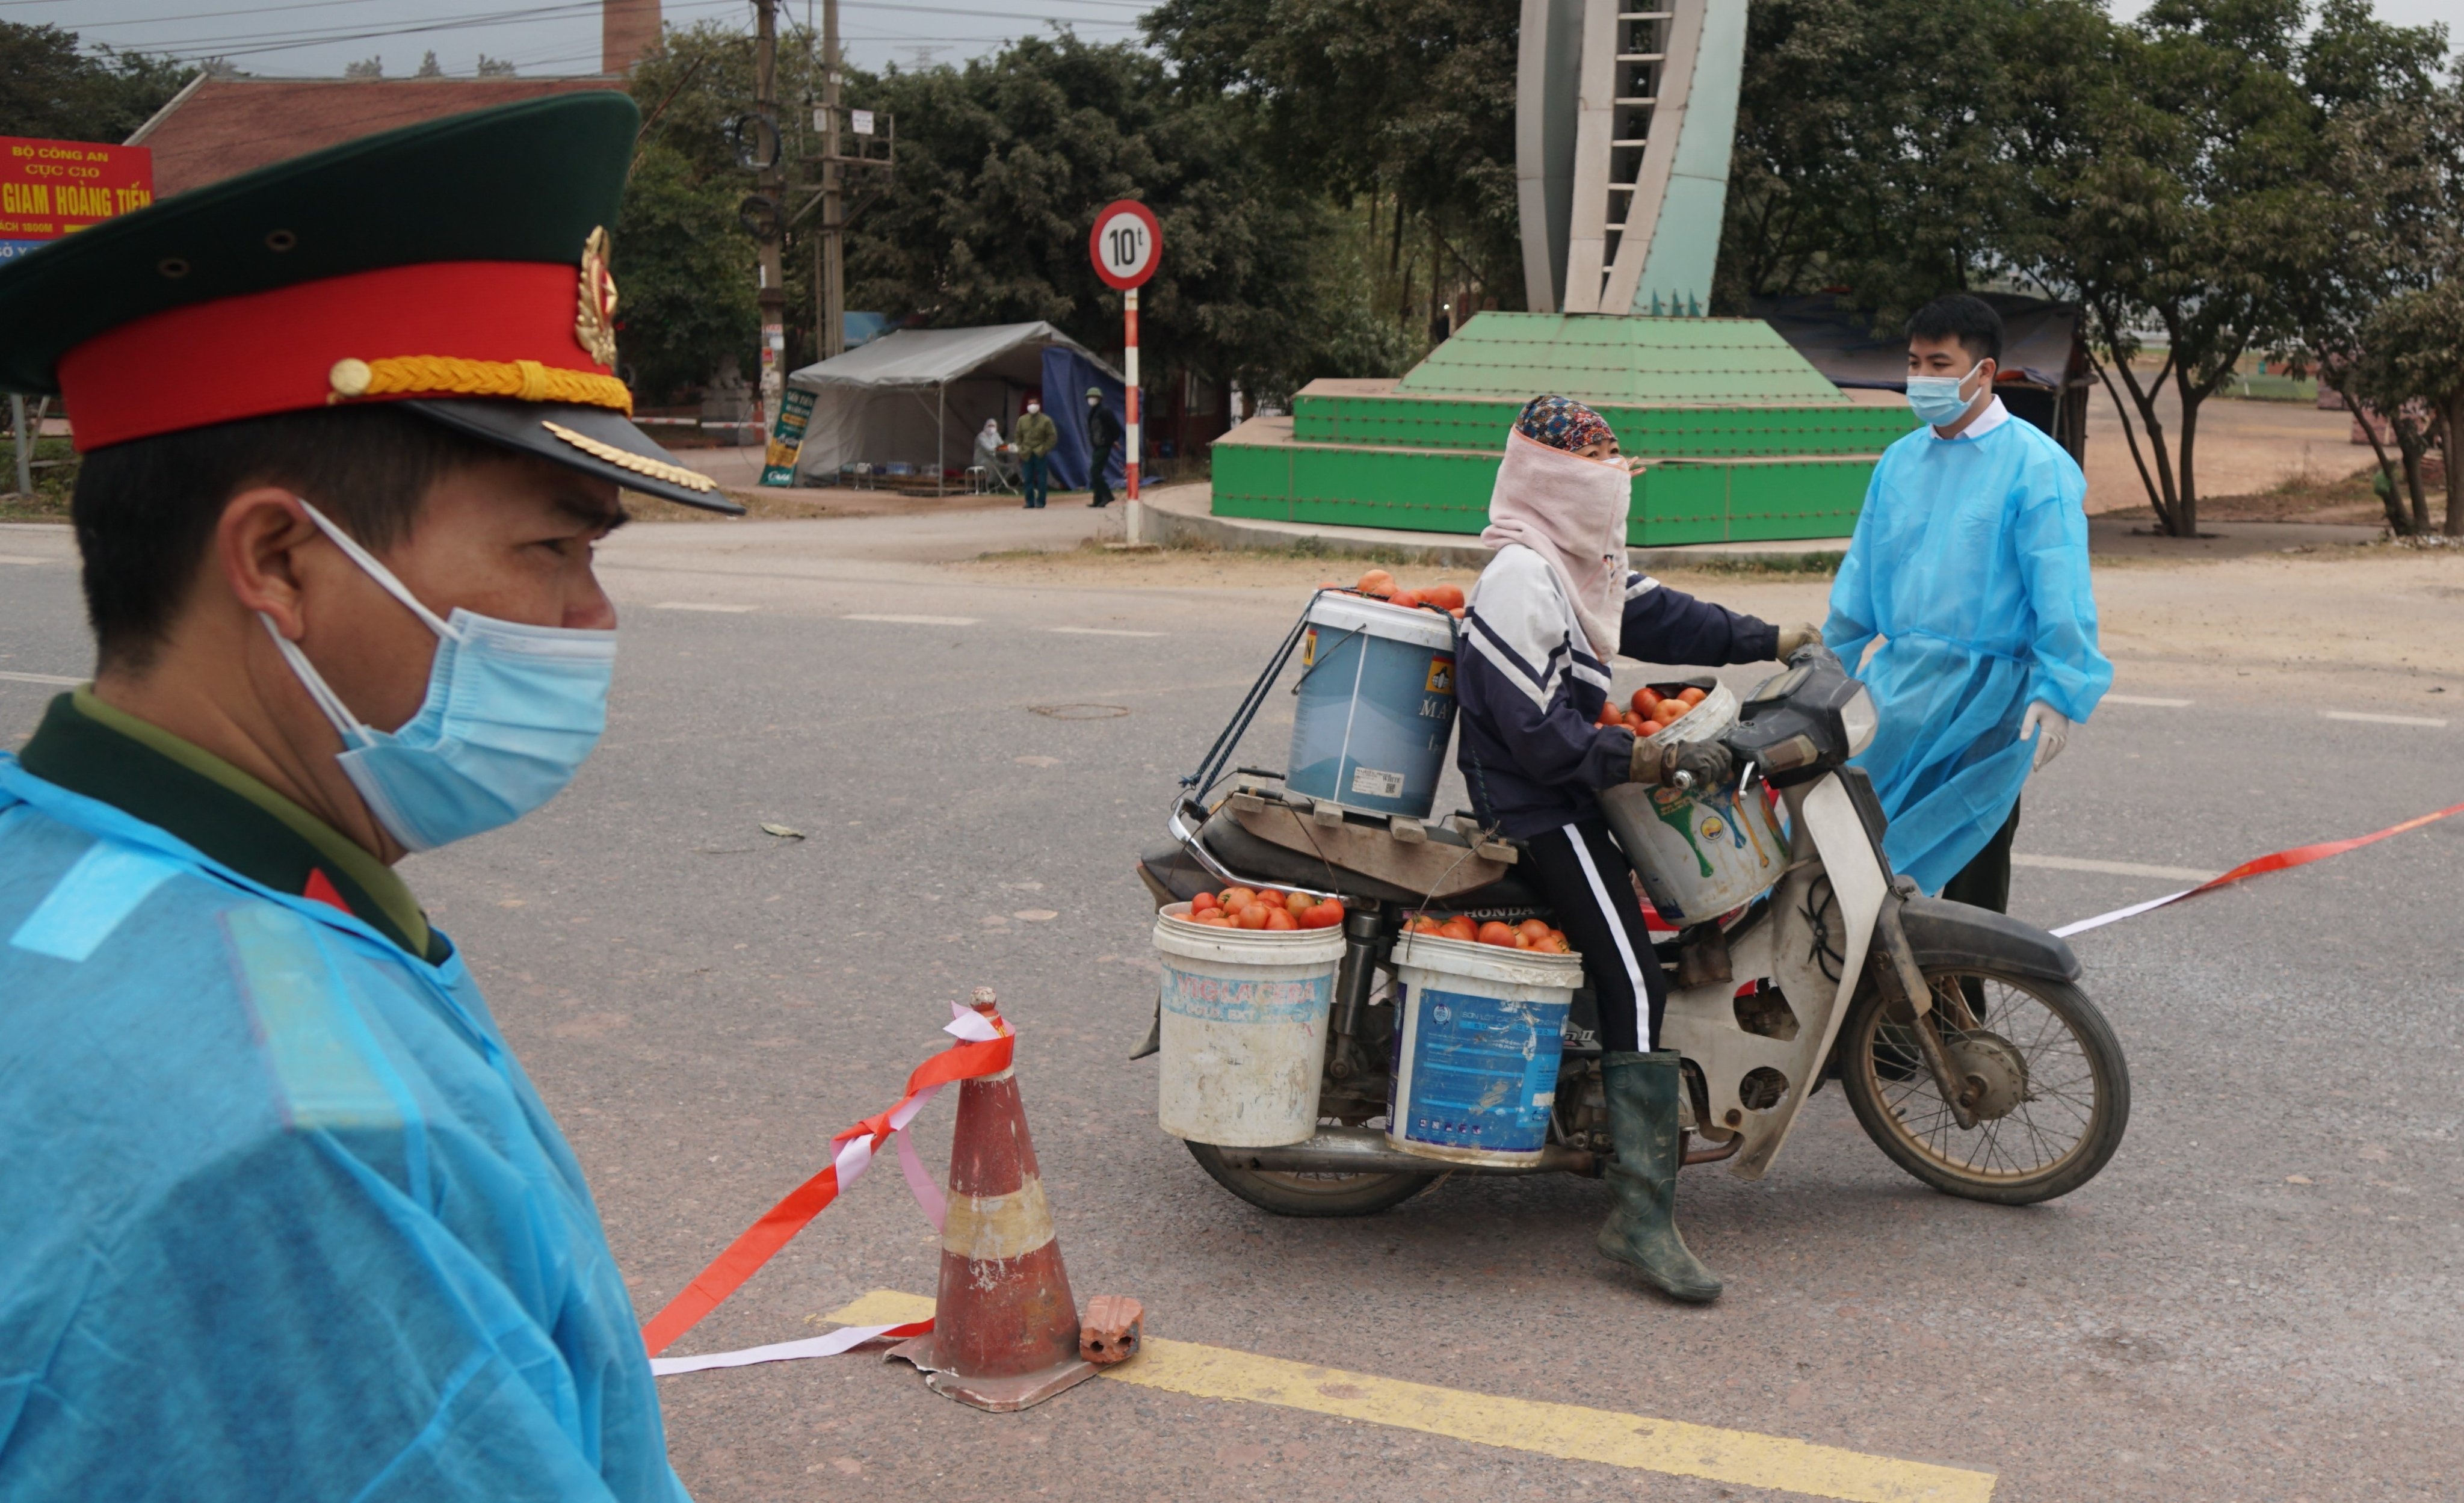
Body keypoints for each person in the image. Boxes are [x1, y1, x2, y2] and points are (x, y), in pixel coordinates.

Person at [0, 96, 735, 1497]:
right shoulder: (303, 1153)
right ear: (279, 557)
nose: (590, 619)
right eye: (551, 549)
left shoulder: (50, 854)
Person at [1456, 395, 1820, 1304]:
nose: (1611, 494)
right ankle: (1639, 1213)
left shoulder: (1581, 562)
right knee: (1629, 972)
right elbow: (1536, 736)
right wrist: (1640, 751)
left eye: (1617, 476)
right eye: (1596, 477)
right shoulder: (1518, 577)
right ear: (1550, 482)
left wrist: (1768, 640)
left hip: (1582, 780)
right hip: (1537, 803)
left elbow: (1664, 619)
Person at [1823, 294, 2112, 908]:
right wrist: (1826, 669)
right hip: (1899, 691)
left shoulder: (2037, 468)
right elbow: (1859, 584)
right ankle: (1880, 1003)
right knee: (1858, 859)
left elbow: (2062, 592)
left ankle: (1963, 1001)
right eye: (1914, 363)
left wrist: (2059, 690)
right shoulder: (1901, 462)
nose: (1922, 379)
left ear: (1983, 372)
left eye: (1939, 363)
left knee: (1973, 868)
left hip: (1991, 705)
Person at [1084, 384, 1124, 507]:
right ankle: (1098, 499)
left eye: (1094, 397)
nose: (1092, 399)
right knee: (1096, 472)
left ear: (1100, 398)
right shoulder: (1094, 412)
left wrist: (1113, 440)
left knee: (1095, 471)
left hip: (1104, 444)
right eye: (1090, 397)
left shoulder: (1105, 411)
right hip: (1097, 445)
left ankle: (1107, 495)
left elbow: (1115, 427)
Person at [1016, 396, 1057, 508]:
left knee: (1042, 479)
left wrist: (1044, 449)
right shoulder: (1022, 420)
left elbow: (1052, 437)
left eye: (1034, 403)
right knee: (1028, 478)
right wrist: (1021, 449)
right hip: (1027, 453)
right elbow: (1018, 436)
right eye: (1030, 404)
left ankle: (1041, 501)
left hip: (1040, 453)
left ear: (1039, 406)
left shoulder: (1046, 420)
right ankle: (1029, 501)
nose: (1032, 406)